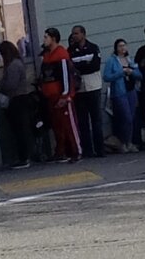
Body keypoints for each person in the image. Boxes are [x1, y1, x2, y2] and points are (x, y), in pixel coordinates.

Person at [39, 28, 80, 162]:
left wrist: (65, 95)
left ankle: (76, 151)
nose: (44, 40)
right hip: (50, 95)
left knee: (69, 124)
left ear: (53, 38)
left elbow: (66, 77)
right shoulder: (46, 56)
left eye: (46, 37)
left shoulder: (61, 55)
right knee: (57, 126)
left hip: (61, 95)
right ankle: (61, 151)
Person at [67, 25, 105, 161]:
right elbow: (70, 68)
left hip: (93, 87)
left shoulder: (93, 48)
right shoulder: (70, 51)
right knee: (83, 121)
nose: (74, 36)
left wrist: (80, 66)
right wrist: (83, 65)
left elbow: (95, 65)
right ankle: (88, 150)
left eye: (76, 33)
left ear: (83, 34)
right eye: (73, 34)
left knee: (96, 120)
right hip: (80, 89)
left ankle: (100, 149)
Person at [103, 38, 138, 152]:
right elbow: (107, 76)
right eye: (120, 46)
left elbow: (139, 74)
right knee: (125, 117)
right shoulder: (112, 61)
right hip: (119, 92)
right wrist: (120, 73)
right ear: (116, 48)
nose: (122, 48)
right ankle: (123, 141)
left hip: (131, 90)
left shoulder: (130, 60)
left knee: (131, 117)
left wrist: (132, 72)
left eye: (124, 45)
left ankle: (129, 142)